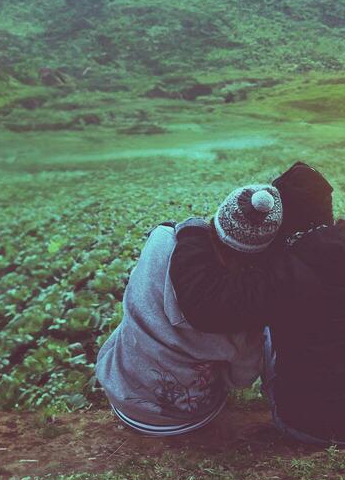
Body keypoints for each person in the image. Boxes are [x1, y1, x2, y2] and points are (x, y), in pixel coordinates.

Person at [169, 162, 345, 445]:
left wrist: (193, 233)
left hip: (310, 426)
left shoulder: (289, 270)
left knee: (263, 325)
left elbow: (206, 308)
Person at [93, 183, 283, 436]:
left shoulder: (160, 240)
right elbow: (241, 380)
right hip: (188, 415)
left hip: (124, 398)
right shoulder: (244, 308)